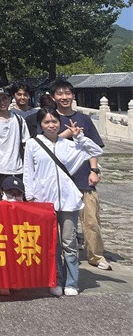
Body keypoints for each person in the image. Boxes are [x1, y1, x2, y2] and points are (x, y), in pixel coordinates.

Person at [24, 109, 104, 297]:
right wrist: (31, 197)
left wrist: (79, 137)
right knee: (52, 244)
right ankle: (56, 280)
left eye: (54, 121)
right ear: (40, 125)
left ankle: (71, 282)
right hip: (45, 201)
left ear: (60, 123)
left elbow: (97, 150)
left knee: (69, 242)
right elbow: (28, 172)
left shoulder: (69, 145)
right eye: (46, 122)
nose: (51, 125)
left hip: (68, 200)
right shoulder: (33, 144)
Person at [50, 79, 111, 271]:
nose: (64, 97)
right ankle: (62, 254)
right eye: (60, 94)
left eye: (67, 93)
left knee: (91, 219)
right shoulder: (50, 118)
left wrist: (94, 170)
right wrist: (68, 134)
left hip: (84, 176)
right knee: (60, 221)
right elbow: (45, 144)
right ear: (53, 97)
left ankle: (96, 255)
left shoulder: (84, 119)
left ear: (73, 96)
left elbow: (93, 148)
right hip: (59, 178)